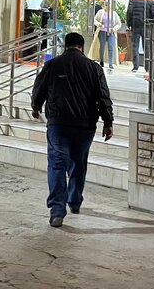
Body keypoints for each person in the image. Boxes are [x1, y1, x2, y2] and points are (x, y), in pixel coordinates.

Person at [32, 32, 113, 228]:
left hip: (58, 124)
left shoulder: (53, 65)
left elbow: (39, 87)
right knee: (78, 163)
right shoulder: (94, 68)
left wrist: (36, 106)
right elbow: (103, 96)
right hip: (85, 126)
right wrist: (108, 121)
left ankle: (57, 211)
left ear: (65, 46)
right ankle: (74, 202)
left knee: (57, 165)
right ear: (81, 47)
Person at [126, 0, 154, 73]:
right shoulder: (150, 1)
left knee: (135, 45)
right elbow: (153, 14)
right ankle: (147, 67)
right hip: (146, 26)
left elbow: (129, 12)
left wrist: (129, 24)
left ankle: (135, 66)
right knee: (146, 46)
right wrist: (151, 24)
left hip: (135, 25)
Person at [94, 2, 122, 70]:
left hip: (111, 32)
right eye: (106, 5)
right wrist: (99, 24)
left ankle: (110, 63)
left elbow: (119, 24)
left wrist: (114, 29)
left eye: (108, 5)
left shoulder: (114, 13)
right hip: (102, 31)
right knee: (102, 46)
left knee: (111, 46)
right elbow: (95, 20)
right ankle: (101, 61)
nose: (107, 6)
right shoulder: (100, 12)